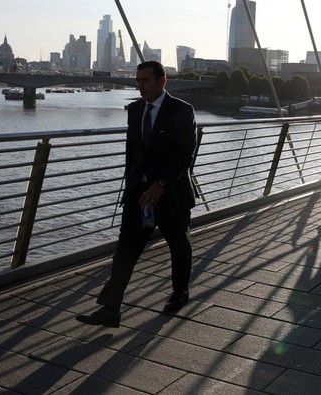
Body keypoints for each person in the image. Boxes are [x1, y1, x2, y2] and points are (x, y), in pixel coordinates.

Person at [76, 61, 198, 328]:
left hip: (171, 194)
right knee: (125, 250)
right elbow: (133, 151)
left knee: (179, 246)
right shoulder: (134, 110)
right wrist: (132, 184)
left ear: (162, 81)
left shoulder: (181, 111)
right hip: (138, 195)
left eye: (145, 80)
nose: (140, 85)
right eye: (138, 80)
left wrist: (161, 184)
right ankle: (110, 309)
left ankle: (180, 294)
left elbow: (185, 154)